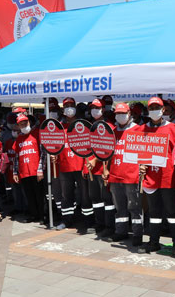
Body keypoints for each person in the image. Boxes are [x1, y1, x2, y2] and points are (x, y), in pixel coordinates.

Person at [136, 97, 175, 256]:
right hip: (150, 178)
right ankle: (153, 242)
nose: (154, 110)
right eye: (151, 108)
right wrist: (140, 163)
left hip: (168, 178)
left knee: (172, 213)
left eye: (157, 107)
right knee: (154, 213)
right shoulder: (141, 129)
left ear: (163, 110)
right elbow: (135, 151)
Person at [107, 103, 142, 243]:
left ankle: (137, 234)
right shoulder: (113, 132)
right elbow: (107, 153)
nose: (120, 116)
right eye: (117, 113)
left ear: (129, 113)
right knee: (119, 207)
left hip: (131, 175)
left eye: (123, 113)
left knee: (134, 207)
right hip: (115, 175)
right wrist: (106, 170)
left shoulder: (139, 130)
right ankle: (120, 231)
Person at [84, 98, 116, 238]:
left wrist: (95, 160)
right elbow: (84, 148)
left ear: (103, 109)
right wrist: (86, 167)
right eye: (92, 108)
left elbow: (109, 148)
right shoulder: (89, 126)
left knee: (107, 200)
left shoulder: (110, 126)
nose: (94, 110)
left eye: (97, 108)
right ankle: (100, 223)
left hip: (105, 169)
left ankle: (110, 226)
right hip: (91, 169)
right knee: (95, 198)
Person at [56, 97, 84, 230]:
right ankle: (66, 220)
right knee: (66, 196)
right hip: (64, 166)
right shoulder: (58, 127)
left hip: (80, 166)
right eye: (66, 105)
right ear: (63, 109)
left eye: (71, 105)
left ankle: (87, 220)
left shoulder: (82, 125)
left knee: (85, 195)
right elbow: (54, 145)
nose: (69, 108)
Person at [12, 113, 45, 224]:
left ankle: (42, 216)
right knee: (29, 195)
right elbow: (16, 157)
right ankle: (34, 215)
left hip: (36, 171)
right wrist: (15, 172)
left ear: (29, 122)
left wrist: (41, 169)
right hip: (24, 172)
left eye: (25, 123)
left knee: (39, 195)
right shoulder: (18, 139)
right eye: (21, 124)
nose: (23, 125)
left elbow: (43, 153)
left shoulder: (37, 134)